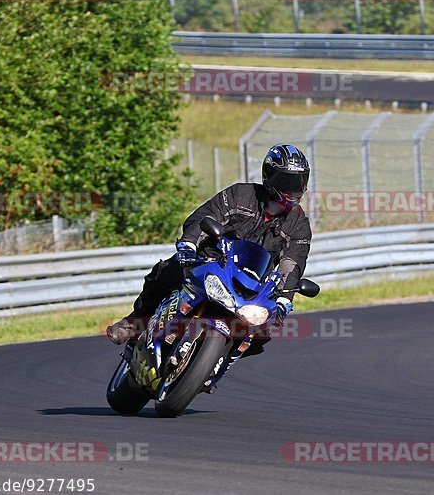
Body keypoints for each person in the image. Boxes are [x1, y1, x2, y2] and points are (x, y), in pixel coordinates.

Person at [106, 143, 312, 359]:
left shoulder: (299, 224)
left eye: (299, 182)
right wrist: (189, 243)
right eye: (287, 181)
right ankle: (135, 322)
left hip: (251, 287)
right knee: (168, 270)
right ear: (270, 177)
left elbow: (292, 264)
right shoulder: (241, 194)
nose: (293, 189)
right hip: (213, 262)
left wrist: (284, 299)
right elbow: (207, 217)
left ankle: (216, 363)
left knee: (262, 332)